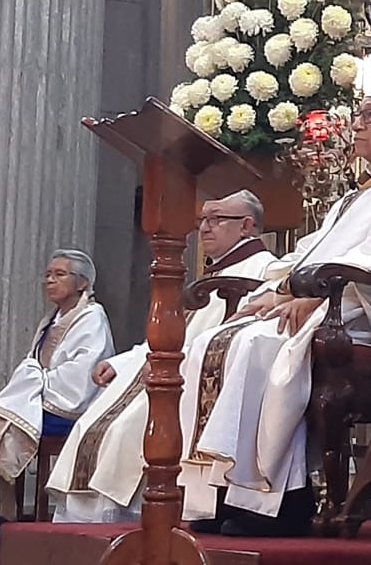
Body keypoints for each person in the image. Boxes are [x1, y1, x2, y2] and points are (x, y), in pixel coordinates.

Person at [179, 30, 371, 537]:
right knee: (214, 341)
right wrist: (278, 289)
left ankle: (281, 501)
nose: (359, 125)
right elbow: (313, 253)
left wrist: (319, 298)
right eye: (361, 114)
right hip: (343, 302)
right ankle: (218, 494)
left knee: (263, 345)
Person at [48, 190, 277, 523]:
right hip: (167, 369)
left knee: (126, 429)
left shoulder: (262, 273)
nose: (205, 228)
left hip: (196, 382)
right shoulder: (213, 274)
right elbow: (170, 333)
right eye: (202, 221)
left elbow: (235, 343)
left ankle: (121, 524)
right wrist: (120, 362)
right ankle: (85, 526)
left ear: (246, 226)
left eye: (216, 220)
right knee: (91, 423)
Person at [0, 249, 113, 552]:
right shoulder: (51, 319)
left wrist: (35, 380)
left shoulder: (91, 318)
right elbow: (34, 362)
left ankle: (6, 518)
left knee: (6, 429)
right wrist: (33, 378)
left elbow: (81, 375)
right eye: (48, 275)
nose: (49, 280)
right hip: (43, 398)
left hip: (73, 407)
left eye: (59, 274)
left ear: (82, 283)